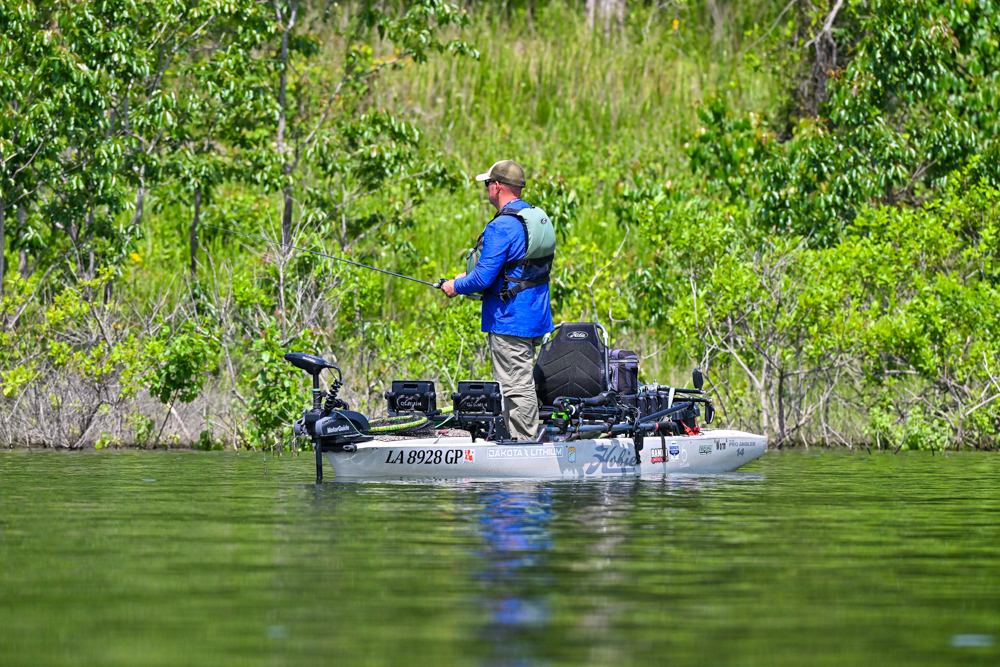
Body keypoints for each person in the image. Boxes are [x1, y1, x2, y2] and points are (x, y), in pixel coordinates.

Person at [441, 160, 554, 440]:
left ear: (498, 186)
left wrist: (455, 285)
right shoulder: (534, 217)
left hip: (509, 320)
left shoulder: (501, 226)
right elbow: (516, 269)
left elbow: (482, 279)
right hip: (535, 316)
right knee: (523, 380)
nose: (486, 189)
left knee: (516, 386)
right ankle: (521, 438)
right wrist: (471, 276)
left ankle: (525, 445)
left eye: (487, 184)